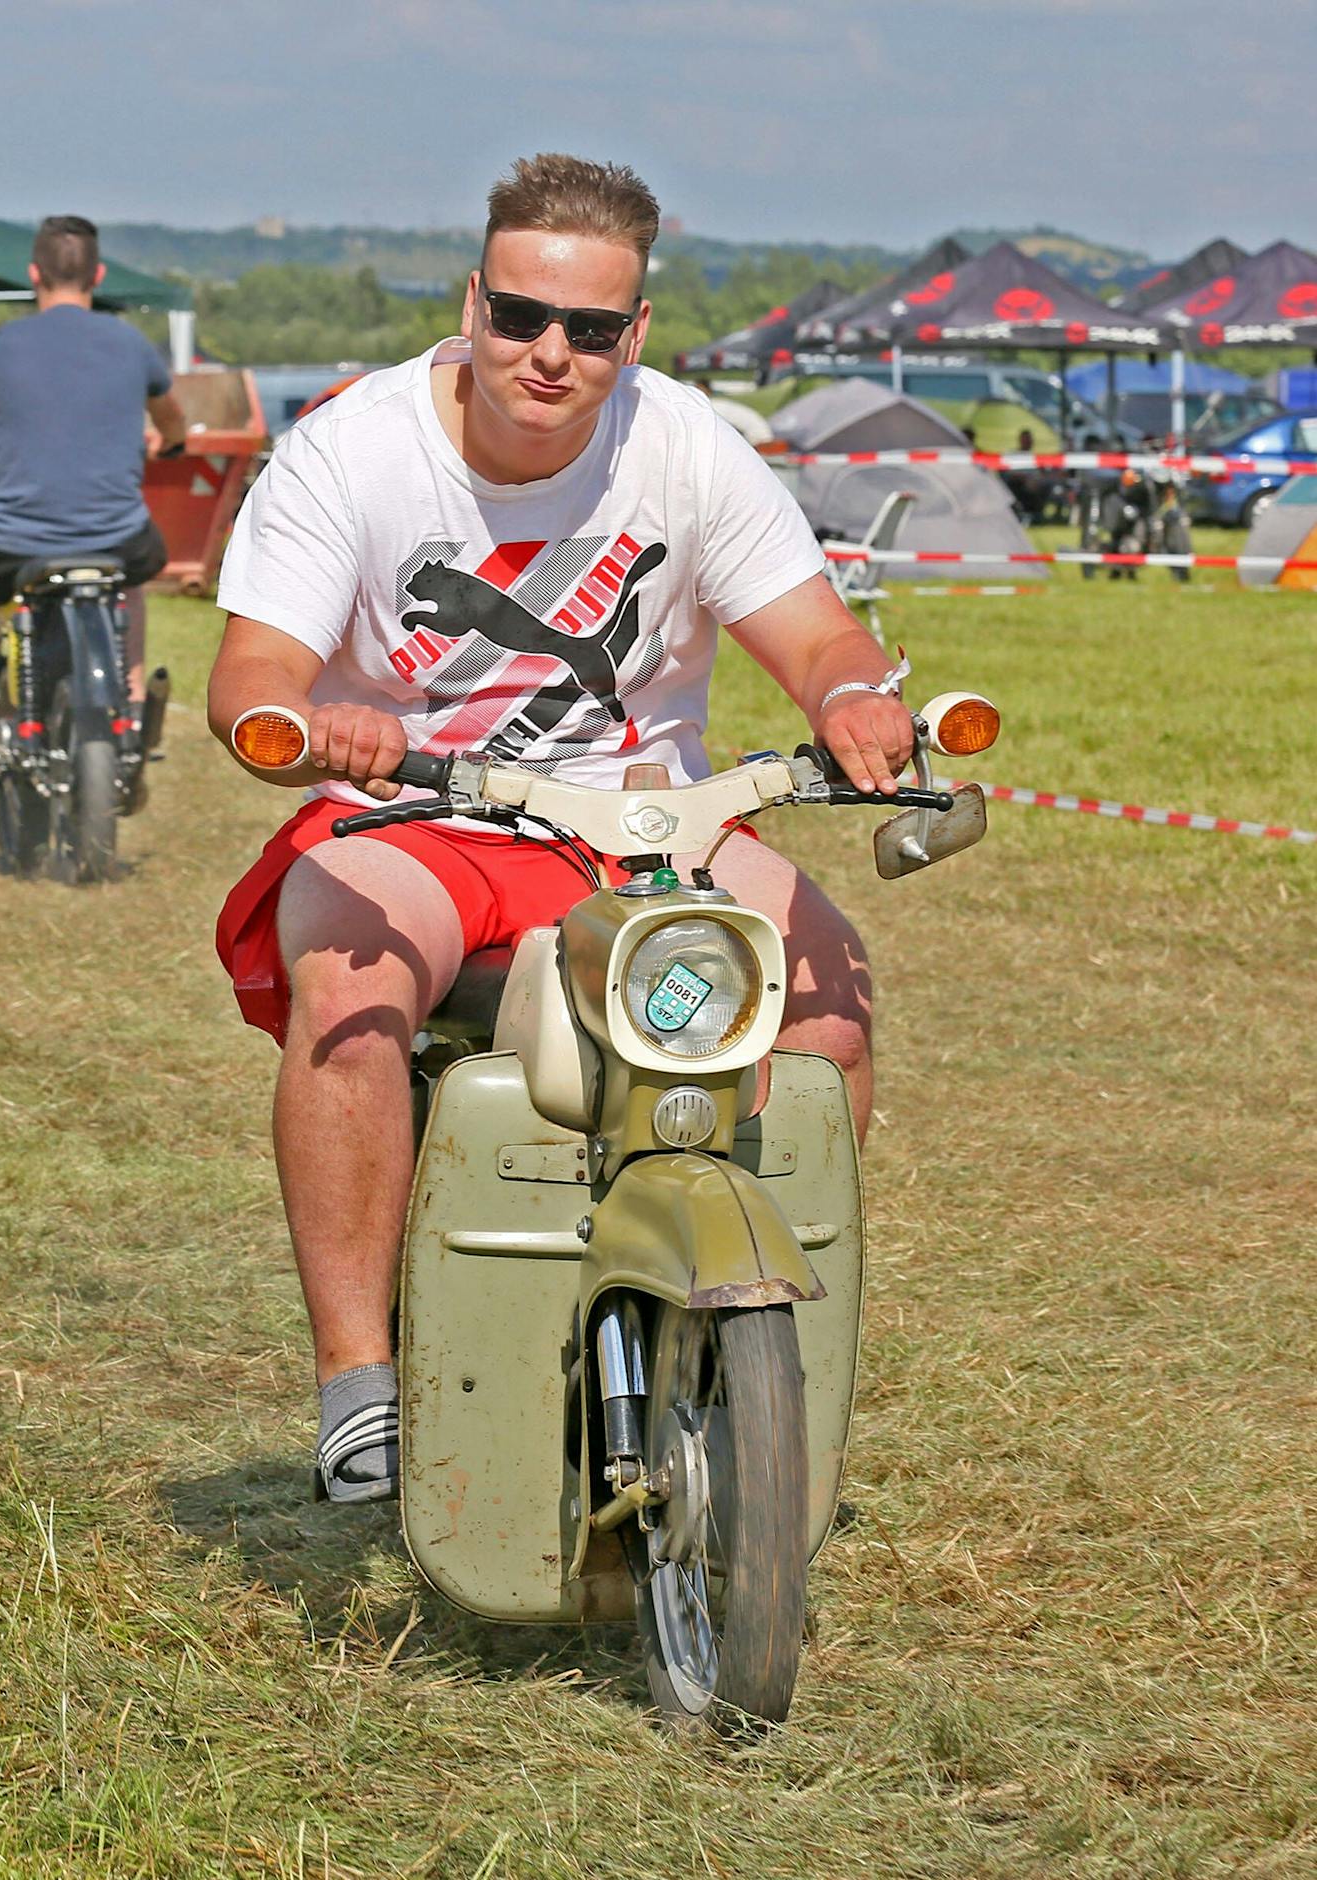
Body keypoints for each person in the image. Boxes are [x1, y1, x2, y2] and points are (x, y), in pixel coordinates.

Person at [205, 154, 915, 1503]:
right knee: (353, 981)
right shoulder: (350, 448)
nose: (550, 355)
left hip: (649, 825)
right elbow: (252, 678)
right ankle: (361, 1392)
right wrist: (302, 726)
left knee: (827, 993)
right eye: (522, 317)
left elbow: (818, 636)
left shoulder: (687, 442)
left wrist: (856, 700)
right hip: (416, 818)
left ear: (634, 333)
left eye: (590, 331)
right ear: (472, 302)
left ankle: (764, 1337)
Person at [0, 213, 188, 780]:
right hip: (118, 537)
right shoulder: (132, 344)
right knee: (131, 574)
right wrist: (167, 444)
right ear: (97, 274)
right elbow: (174, 422)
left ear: (33, 274)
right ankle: (130, 699)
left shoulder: (0, 346)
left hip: (20, 540)